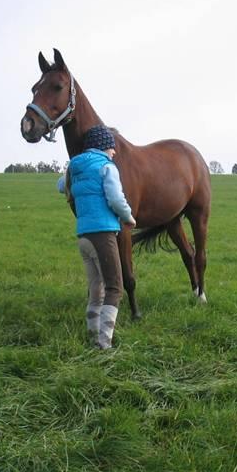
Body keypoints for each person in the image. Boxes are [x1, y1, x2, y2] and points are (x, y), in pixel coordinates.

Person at [58, 125, 136, 349]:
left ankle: (93, 334)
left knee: (96, 287)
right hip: (103, 235)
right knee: (114, 288)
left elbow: (60, 186)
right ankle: (104, 343)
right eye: (112, 148)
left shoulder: (74, 166)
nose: (114, 152)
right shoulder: (106, 167)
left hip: (84, 237)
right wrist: (129, 217)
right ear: (104, 146)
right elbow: (116, 198)